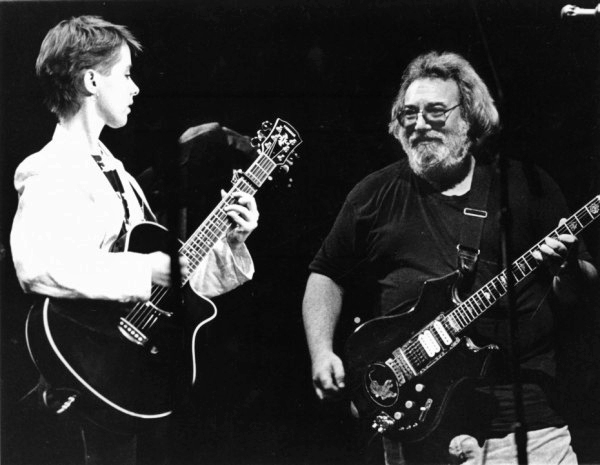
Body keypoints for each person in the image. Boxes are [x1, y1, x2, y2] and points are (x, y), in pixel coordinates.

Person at [302, 51, 598, 465]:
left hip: (522, 430)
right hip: (417, 433)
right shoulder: (372, 193)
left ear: (470, 118)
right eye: (409, 114)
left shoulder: (526, 186)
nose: (420, 124)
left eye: (436, 111)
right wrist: (321, 352)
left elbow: (576, 294)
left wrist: (565, 268)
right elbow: (325, 274)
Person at [10, 15, 259, 465]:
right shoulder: (50, 168)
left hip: (121, 379)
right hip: (78, 379)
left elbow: (169, 283)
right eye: (124, 74)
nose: (135, 88)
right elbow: (40, 264)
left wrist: (231, 240)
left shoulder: (119, 175)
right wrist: (147, 270)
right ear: (90, 80)